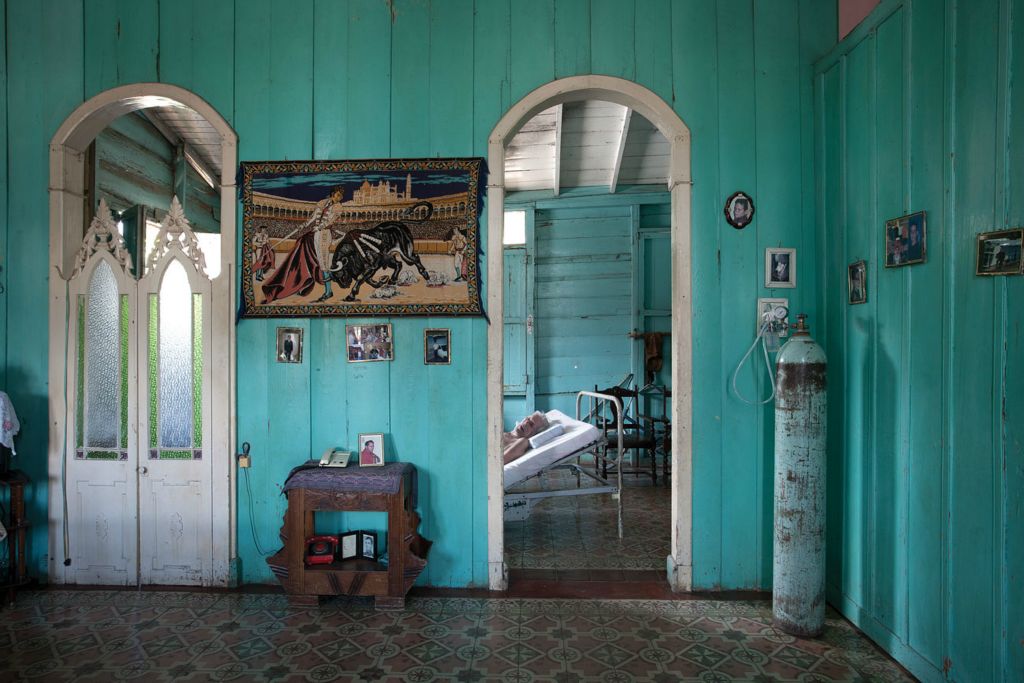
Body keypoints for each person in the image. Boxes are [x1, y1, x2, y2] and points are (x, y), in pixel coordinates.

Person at [261, 187, 347, 303]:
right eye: (338, 195)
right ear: (332, 194)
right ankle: (303, 282)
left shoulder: (338, 207)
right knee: (304, 249)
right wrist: (303, 225)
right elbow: (313, 217)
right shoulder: (322, 203)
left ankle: (328, 291)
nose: (339, 198)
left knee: (323, 263)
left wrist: (320, 227)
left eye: (341, 196)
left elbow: (330, 221)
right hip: (316, 234)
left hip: (325, 235)